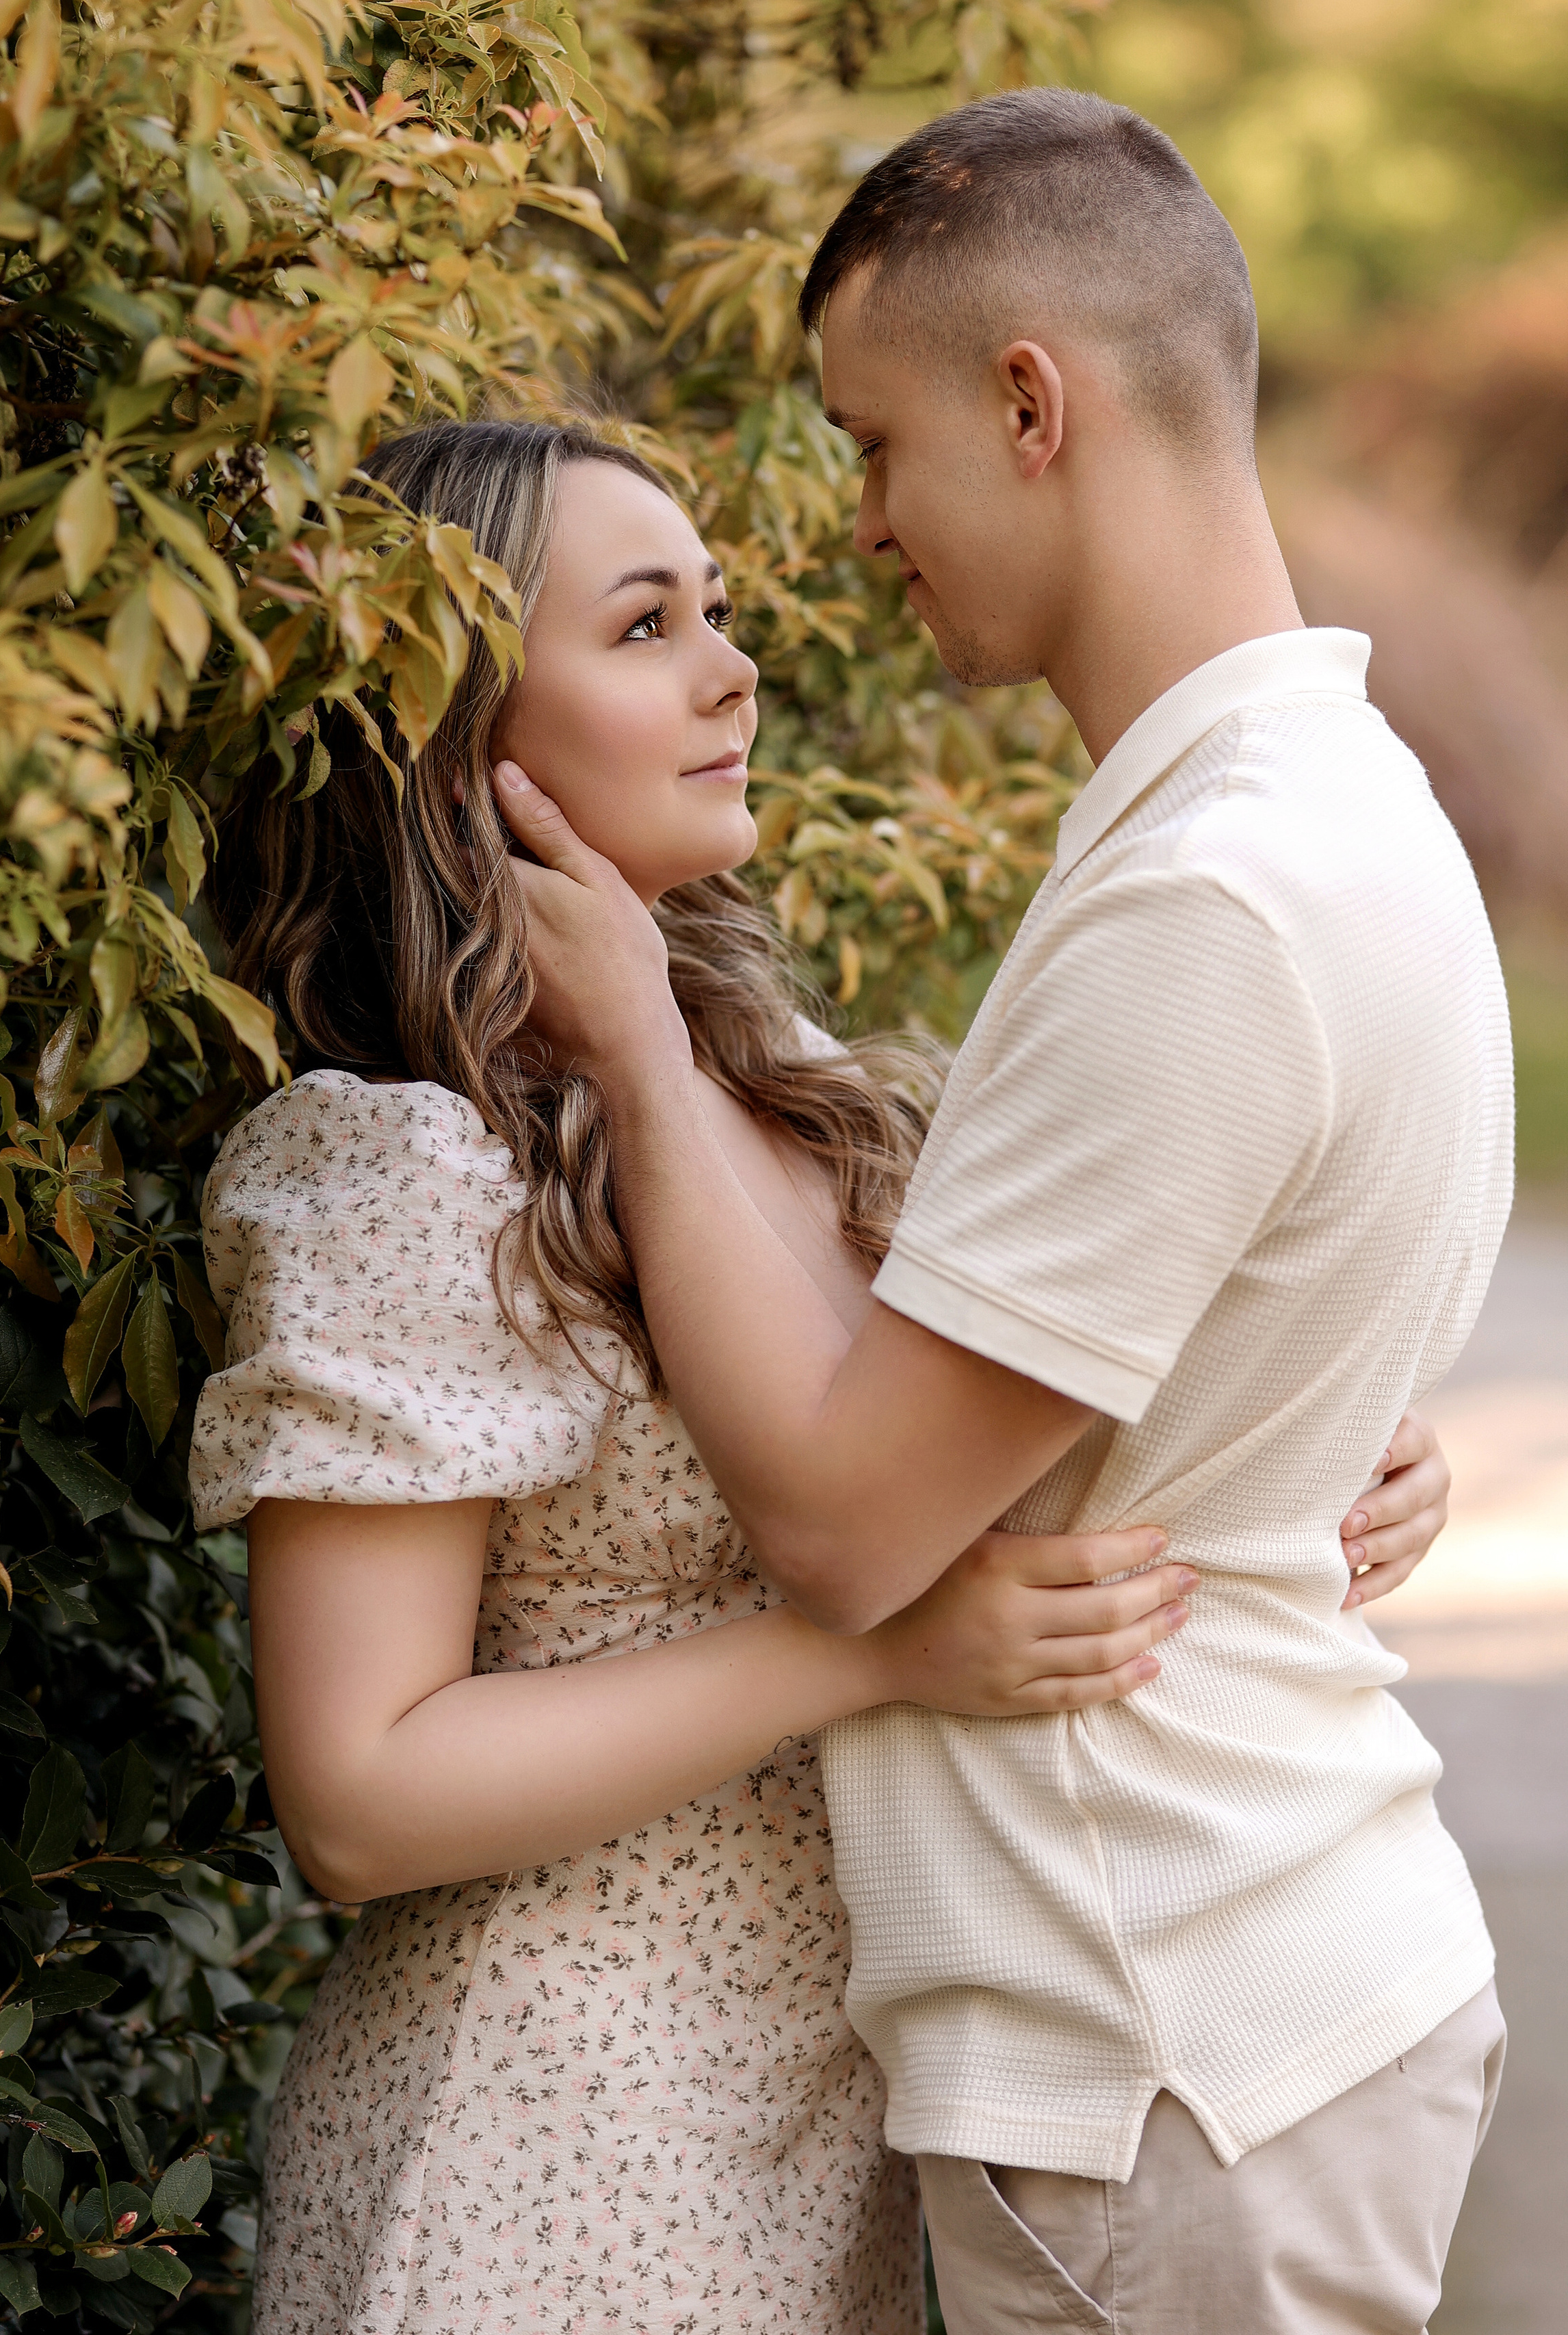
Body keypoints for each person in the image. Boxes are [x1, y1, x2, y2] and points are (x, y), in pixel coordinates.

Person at [187, 418, 1450, 2334]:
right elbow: (357, 1792)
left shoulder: (773, 1078)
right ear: (460, 738)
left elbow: (1001, 1406)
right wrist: (865, 1656)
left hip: (826, 2130)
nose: (733, 666)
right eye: (642, 625)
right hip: (547, 2148)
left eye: (719, 608)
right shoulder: (406, 1169)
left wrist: (1325, 1440)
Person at [490, 92, 1510, 2335]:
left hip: (1164, 2046)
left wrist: (646, 1056)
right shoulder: (1332, 798)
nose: (860, 531)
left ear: (1028, 404)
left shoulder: (1209, 896)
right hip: (1263, 1996)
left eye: (874, 445)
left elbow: (858, 1532)